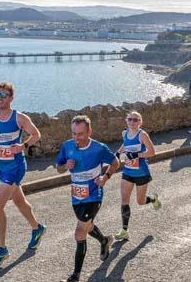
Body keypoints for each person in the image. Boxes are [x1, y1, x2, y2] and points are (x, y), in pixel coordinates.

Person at [0, 82, 46, 267]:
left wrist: (23, 146)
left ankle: (2, 248)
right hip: (0, 165)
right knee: (19, 201)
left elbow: (36, 134)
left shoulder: (19, 118)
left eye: (3, 95)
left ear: (11, 98)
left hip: (15, 166)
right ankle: (37, 228)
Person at [56, 115, 119, 282]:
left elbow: (115, 163)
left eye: (81, 133)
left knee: (79, 232)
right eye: (74, 133)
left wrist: (105, 178)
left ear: (89, 131)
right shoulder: (67, 146)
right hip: (77, 197)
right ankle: (104, 240)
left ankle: (75, 276)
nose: (77, 137)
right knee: (87, 226)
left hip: (94, 195)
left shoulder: (99, 148)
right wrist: (65, 166)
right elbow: (58, 168)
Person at [114, 111, 161, 241]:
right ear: (126, 120)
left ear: (140, 122)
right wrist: (118, 153)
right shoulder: (124, 133)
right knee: (124, 200)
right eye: (130, 119)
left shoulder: (142, 134)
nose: (132, 122)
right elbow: (125, 144)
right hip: (128, 171)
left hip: (141, 173)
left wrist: (137, 155)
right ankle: (124, 230)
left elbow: (151, 152)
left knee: (140, 201)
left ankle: (152, 199)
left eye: (135, 120)